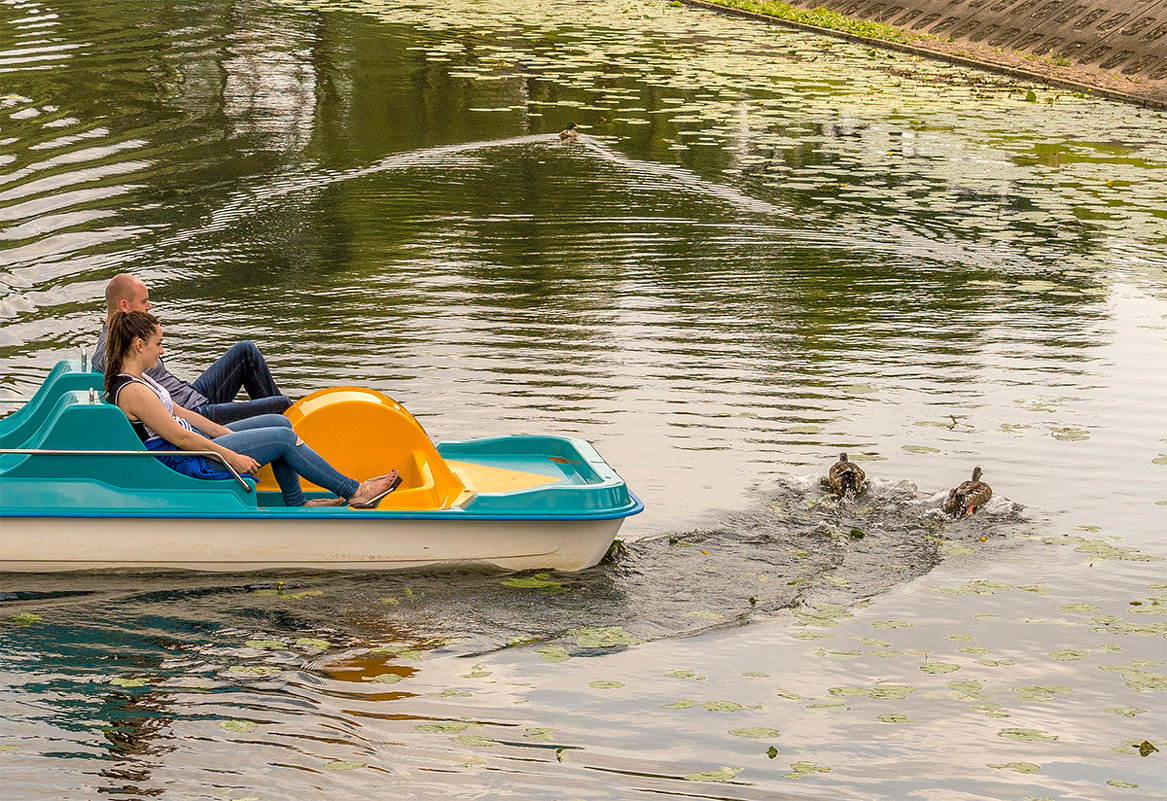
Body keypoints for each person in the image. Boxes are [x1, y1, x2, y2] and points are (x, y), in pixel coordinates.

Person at [104, 310, 400, 508]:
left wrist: (226, 433)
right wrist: (232, 455)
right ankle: (356, 492)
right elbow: (180, 440)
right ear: (140, 344)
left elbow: (183, 414)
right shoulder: (134, 391)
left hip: (196, 446)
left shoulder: (140, 379)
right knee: (282, 441)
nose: (162, 350)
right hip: (189, 460)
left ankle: (297, 502)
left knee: (279, 423)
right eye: (159, 343)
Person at [92, 274, 293, 424]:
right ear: (124, 305)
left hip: (190, 394)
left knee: (245, 352)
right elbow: (111, 368)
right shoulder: (112, 347)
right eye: (144, 302)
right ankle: (295, 437)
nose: (149, 307)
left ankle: (272, 430)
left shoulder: (126, 336)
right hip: (192, 412)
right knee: (281, 406)